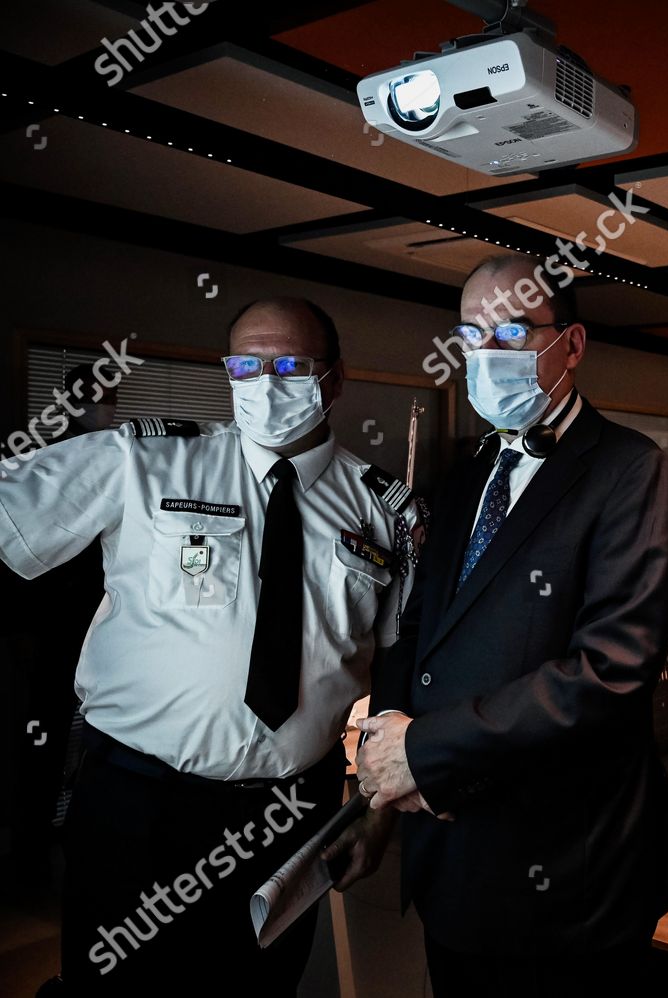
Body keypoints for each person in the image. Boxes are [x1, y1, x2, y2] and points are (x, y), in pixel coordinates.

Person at [0, 298, 413, 993]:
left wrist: (376, 811)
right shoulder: (144, 461)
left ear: (334, 381)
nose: (265, 381)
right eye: (245, 365)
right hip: (138, 805)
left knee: (255, 986)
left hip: (290, 815)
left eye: (289, 365)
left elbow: (400, 669)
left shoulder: (385, 511)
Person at [351, 255, 668, 997]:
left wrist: (425, 748)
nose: (487, 354)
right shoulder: (464, 472)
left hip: (565, 864)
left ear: (570, 345)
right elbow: (420, 631)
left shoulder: (632, 472)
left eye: (510, 331)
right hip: (450, 841)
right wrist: (387, 733)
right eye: (471, 335)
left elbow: (610, 671)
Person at [8, 364, 117, 893]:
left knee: (97, 744)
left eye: (110, 397)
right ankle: (30, 851)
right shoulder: (45, 462)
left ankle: (80, 844)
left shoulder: (123, 455)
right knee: (43, 746)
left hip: (105, 630)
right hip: (51, 634)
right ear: (70, 401)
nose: (104, 406)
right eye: (94, 398)